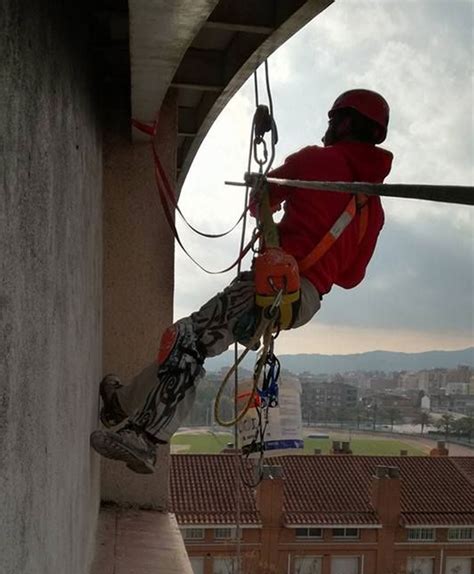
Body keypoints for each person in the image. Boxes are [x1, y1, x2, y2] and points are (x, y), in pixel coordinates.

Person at [90, 88, 393, 474]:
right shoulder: (375, 206)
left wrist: (279, 221)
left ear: (346, 122)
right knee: (196, 341)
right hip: (304, 302)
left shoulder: (315, 161)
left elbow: (261, 200)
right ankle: (123, 403)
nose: (327, 129)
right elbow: (351, 277)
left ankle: (144, 437)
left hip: (270, 285)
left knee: (187, 340)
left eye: (333, 120)